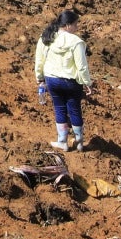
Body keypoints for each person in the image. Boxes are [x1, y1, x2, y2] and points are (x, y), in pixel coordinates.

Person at [35, 9, 94, 151]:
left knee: (59, 108)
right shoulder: (76, 42)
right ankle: (79, 142)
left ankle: (62, 141)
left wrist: (39, 77)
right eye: (75, 24)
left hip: (52, 80)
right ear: (67, 25)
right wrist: (87, 83)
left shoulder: (47, 36)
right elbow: (81, 66)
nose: (77, 28)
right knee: (74, 109)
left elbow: (39, 59)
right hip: (71, 82)